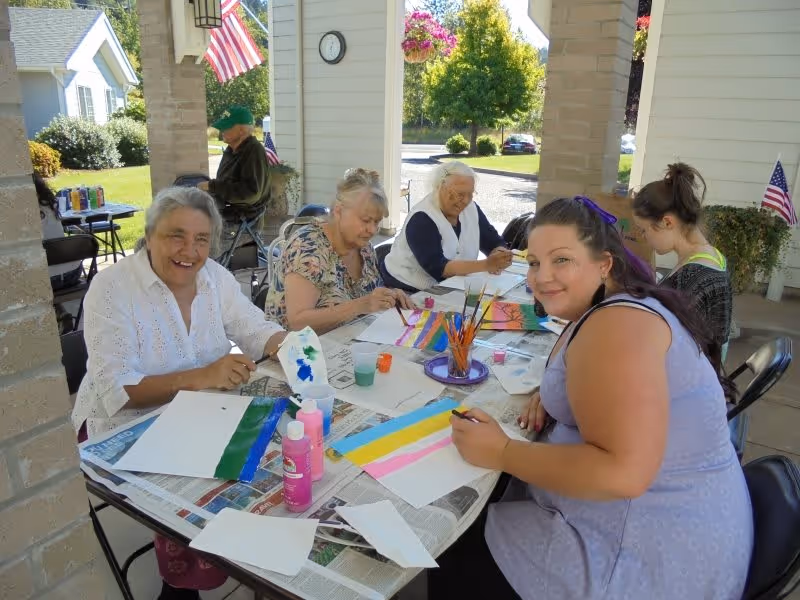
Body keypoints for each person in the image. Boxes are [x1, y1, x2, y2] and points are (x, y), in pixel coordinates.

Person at [431, 196, 752, 600]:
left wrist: (502, 453)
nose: (541, 276)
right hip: (678, 530)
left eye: (561, 260)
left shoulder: (618, 325)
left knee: (453, 545)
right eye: (533, 262)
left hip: (650, 563)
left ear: (604, 264)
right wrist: (552, 392)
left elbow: (624, 473)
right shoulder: (624, 306)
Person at [71, 186, 286, 600]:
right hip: (120, 424)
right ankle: (180, 589)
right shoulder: (111, 288)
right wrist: (203, 376)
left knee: (278, 451)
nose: (190, 250)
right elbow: (118, 389)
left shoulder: (214, 279)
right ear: (149, 235)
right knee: (206, 488)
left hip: (198, 411)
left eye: (202, 239)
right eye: (176, 235)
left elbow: (254, 328)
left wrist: (289, 348)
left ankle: (252, 566)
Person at [265, 168, 414, 333]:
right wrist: (360, 305)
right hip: (298, 352)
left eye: (377, 222)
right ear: (338, 211)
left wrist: (389, 296)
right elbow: (298, 322)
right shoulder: (308, 247)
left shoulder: (363, 247)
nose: (372, 230)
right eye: (366, 220)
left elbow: (369, 295)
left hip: (348, 341)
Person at [633, 162, 732, 363]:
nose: (643, 237)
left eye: (644, 230)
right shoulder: (711, 256)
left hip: (686, 381)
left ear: (667, 222)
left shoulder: (695, 275)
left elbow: (667, 341)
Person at [381, 161, 512, 293]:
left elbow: (493, 241)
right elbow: (439, 268)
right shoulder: (422, 218)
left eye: (470, 194)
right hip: (407, 287)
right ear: (441, 187)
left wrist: (500, 254)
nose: (466, 201)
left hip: (453, 285)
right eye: (459, 194)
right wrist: (486, 264)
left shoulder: (471, 209)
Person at [198, 105, 271, 249]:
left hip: (243, 220)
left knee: (200, 245)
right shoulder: (232, 149)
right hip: (227, 213)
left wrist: (212, 186)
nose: (222, 131)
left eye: (227, 127)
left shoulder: (254, 152)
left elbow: (251, 193)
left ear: (242, 130)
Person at [36, 174, 81, 333]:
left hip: (47, 279)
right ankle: (60, 312)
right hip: (72, 274)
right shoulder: (50, 206)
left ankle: (55, 315)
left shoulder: (23, 213)